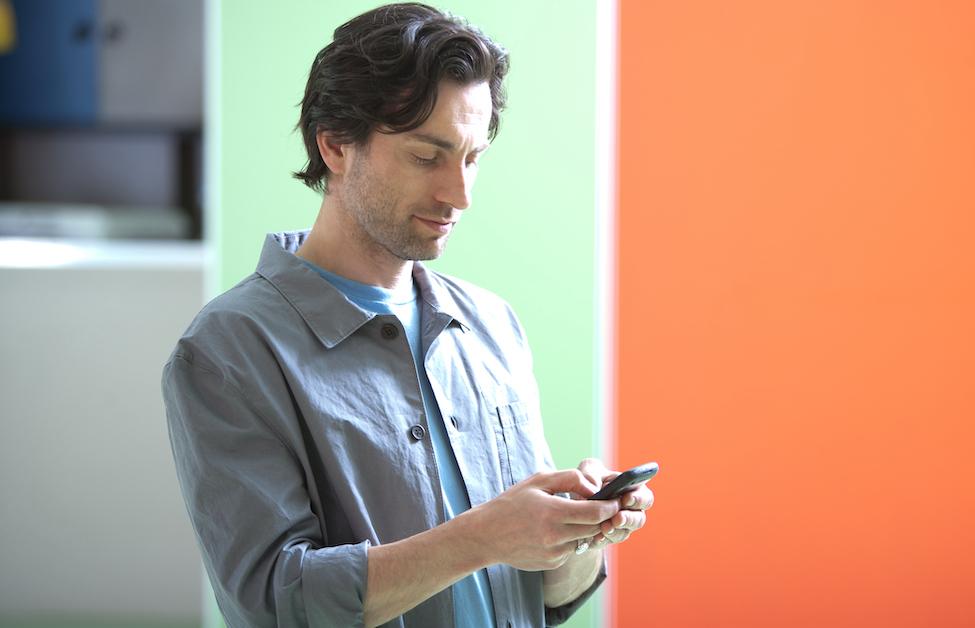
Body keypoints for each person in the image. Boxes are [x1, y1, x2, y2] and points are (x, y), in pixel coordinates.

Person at [161, 4, 652, 627]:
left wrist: (583, 531)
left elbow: (543, 597)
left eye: (472, 157)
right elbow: (273, 605)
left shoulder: (493, 325)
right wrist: (482, 537)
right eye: (428, 157)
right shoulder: (228, 352)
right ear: (336, 145)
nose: (461, 194)